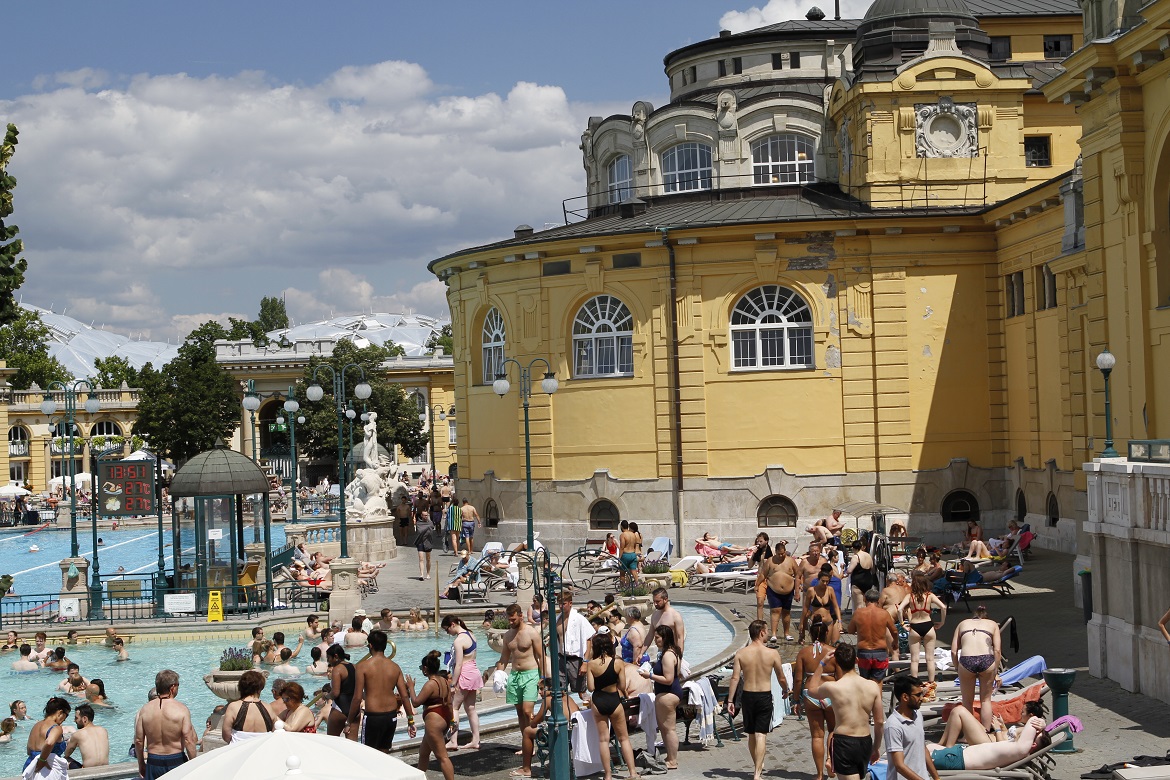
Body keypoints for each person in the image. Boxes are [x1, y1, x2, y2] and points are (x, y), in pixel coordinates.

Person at [806, 644, 884, 780]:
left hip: (844, 742)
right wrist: (876, 747)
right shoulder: (872, 686)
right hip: (865, 740)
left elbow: (811, 689)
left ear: (837, 663)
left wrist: (822, 663)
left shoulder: (833, 687)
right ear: (857, 661)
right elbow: (879, 721)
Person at [727, 619, 791, 780]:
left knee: (750, 733)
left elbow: (734, 678)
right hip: (764, 696)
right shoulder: (772, 653)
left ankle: (757, 764)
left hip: (748, 696)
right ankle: (757, 772)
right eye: (767, 630)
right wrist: (786, 690)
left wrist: (730, 701)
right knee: (761, 734)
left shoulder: (741, 653)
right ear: (761, 632)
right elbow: (781, 677)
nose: (768, 633)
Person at [486, 603, 545, 760]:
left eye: (513, 619)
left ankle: (537, 741)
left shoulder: (531, 633)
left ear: (521, 616)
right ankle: (527, 744)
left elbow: (541, 656)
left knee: (527, 711)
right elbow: (504, 658)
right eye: (509, 620)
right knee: (520, 712)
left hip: (531, 673)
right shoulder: (508, 635)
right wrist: (498, 674)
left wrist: (543, 678)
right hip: (515, 675)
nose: (511, 622)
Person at [348, 629, 415, 753]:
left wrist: (349, 721)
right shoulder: (395, 667)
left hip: (373, 716)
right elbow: (405, 697)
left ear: (371, 645)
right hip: (391, 716)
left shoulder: (362, 667)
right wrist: (410, 720)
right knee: (384, 754)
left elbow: (357, 698)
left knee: (368, 754)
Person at [586, 631, 640, 780]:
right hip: (614, 700)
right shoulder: (617, 662)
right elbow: (622, 684)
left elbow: (590, 688)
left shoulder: (591, 664)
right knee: (624, 738)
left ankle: (608, 775)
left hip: (598, 701)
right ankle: (633, 773)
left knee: (603, 739)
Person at [792, 618, 837, 780]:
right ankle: (831, 760)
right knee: (833, 730)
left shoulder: (803, 653)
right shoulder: (833, 652)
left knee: (817, 736)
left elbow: (798, 679)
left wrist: (796, 700)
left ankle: (819, 775)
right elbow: (839, 676)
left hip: (810, 694)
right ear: (826, 633)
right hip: (830, 693)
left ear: (811, 634)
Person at [927, 713, 1050, 771]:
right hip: (957, 753)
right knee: (926, 747)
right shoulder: (1016, 748)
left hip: (955, 758)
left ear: (1032, 744)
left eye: (1035, 732)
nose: (1031, 731)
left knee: (913, 757)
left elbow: (1033, 719)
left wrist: (1040, 722)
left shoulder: (1020, 750)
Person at [134, 669, 197, 780]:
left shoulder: (145, 710)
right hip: (176, 760)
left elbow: (139, 741)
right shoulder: (181, 709)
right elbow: (189, 740)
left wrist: (141, 764)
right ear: (172, 687)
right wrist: (194, 764)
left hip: (153, 761)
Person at [517, 678, 581, 779]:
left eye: (542, 689)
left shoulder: (548, 700)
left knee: (527, 731)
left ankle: (526, 769)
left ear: (550, 689)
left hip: (563, 735)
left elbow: (534, 724)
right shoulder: (568, 698)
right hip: (575, 733)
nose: (539, 692)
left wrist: (531, 718)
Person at [952, 604, 1002, 731]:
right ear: (986, 617)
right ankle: (985, 733)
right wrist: (995, 671)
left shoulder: (962, 623)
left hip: (966, 660)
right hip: (987, 659)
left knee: (967, 701)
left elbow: (953, 651)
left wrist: (958, 668)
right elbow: (997, 651)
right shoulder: (992, 624)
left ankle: (969, 734)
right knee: (985, 700)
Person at [406, 651, 454, 780]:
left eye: (421, 668)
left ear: (426, 669)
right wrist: (452, 720)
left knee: (442, 757)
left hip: (434, 721)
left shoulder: (430, 684)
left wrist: (411, 687)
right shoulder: (444, 681)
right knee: (424, 753)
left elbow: (415, 703)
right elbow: (449, 702)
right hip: (444, 717)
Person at [641, 624, 684, 770]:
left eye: (658, 637)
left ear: (665, 638)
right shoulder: (673, 652)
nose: (655, 640)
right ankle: (670, 757)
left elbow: (669, 679)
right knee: (665, 728)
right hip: (669, 694)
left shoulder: (667, 655)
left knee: (669, 729)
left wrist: (650, 675)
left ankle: (673, 760)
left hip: (668, 694)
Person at [898, 572, 948, 694]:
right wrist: (942, 622)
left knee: (914, 660)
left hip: (915, 626)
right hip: (928, 626)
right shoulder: (929, 596)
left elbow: (900, 609)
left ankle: (915, 686)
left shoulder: (910, 596)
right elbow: (944, 607)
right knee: (930, 659)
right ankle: (931, 687)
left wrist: (903, 624)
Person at [441, 616, 483, 751]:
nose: (448, 633)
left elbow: (458, 665)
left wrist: (453, 684)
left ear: (452, 625)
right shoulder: (471, 634)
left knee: (454, 707)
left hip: (464, 674)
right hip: (474, 671)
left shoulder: (459, 641)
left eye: (447, 630)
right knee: (471, 709)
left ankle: (453, 741)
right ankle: (476, 740)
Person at [886, 676, 939, 780]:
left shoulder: (918, 715)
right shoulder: (893, 726)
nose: (922, 698)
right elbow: (899, 766)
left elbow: (922, 748)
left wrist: (936, 778)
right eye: (918, 695)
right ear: (905, 697)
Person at [846, 588, 897, 682]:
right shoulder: (884, 613)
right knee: (878, 683)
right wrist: (895, 642)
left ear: (865, 599)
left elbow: (850, 630)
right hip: (880, 652)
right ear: (878, 601)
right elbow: (894, 631)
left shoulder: (858, 613)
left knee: (865, 682)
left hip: (864, 652)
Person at [757, 541, 801, 642]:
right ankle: (773, 634)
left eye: (783, 553)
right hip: (773, 590)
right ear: (775, 552)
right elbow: (763, 574)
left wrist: (797, 591)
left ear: (785, 551)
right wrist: (757, 585)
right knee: (775, 611)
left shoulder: (791, 561)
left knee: (786, 612)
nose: (781, 556)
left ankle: (786, 633)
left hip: (788, 591)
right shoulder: (770, 561)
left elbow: (798, 575)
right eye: (779, 554)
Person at [557, 590, 596, 694]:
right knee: (560, 691)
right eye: (559, 603)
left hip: (576, 660)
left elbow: (588, 640)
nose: (561, 606)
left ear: (570, 603)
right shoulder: (557, 620)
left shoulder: (579, 619)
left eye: (563, 603)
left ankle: (587, 709)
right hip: (561, 658)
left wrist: (585, 662)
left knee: (581, 691)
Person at [221, 670, 275, 743]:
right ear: (260, 688)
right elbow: (275, 729)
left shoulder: (234, 707)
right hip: (262, 749)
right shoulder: (268, 707)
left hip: (239, 749)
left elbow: (226, 735)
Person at [24, 697, 70, 775]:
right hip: (45, 770)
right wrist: (42, 760)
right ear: (60, 712)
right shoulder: (56, 728)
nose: (65, 719)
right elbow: (49, 743)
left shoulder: (36, 725)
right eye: (66, 715)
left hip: (29, 766)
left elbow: (29, 750)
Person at [801, 564, 843, 644]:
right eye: (823, 581)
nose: (825, 583)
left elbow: (836, 606)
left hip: (828, 621)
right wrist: (802, 624)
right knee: (816, 644)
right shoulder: (812, 590)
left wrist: (840, 622)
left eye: (827, 581)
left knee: (826, 645)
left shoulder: (830, 590)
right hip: (816, 621)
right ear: (818, 579)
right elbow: (805, 608)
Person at [64, 703, 109, 769]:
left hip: (88, 773)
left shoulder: (78, 734)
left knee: (65, 759)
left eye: (76, 718)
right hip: (106, 770)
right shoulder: (103, 730)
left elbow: (67, 754)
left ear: (84, 719)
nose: (74, 721)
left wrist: (72, 743)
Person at [326, 644, 356, 738]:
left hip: (340, 709)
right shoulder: (354, 667)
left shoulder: (337, 669)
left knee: (332, 742)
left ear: (335, 656)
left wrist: (326, 696)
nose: (328, 661)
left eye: (329, 658)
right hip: (354, 710)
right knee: (353, 745)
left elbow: (335, 693)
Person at [650, 587, 687, 654]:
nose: (655, 604)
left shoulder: (675, 616)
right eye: (654, 601)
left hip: (672, 652)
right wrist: (641, 653)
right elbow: (650, 635)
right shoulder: (655, 615)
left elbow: (680, 638)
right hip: (660, 652)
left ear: (665, 599)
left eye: (657, 601)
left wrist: (679, 656)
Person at [847, 539, 877, 612]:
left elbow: (849, 570)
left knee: (859, 605)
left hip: (858, 582)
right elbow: (873, 569)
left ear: (854, 548)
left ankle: (860, 621)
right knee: (867, 603)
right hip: (868, 581)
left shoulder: (856, 556)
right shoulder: (868, 555)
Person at [415, 502, 435, 579]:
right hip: (420, 542)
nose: (426, 516)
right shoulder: (418, 523)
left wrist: (428, 529)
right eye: (424, 515)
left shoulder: (430, 523)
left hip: (428, 542)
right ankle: (421, 574)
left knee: (428, 558)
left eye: (427, 515)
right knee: (421, 558)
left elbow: (431, 529)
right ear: (421, 516)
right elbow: (420, 531)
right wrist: (427, 529)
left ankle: (428, 573)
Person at [618, 520, 639, 584]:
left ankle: (623, 588)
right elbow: (635, 545)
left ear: (621, 527)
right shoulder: (633, 534)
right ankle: (638, 586)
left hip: (625, 555)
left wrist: (619, 558)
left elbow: (622, 547)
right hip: (633, 554)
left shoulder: (623, 535)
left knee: (622, 573)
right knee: (634, 572)